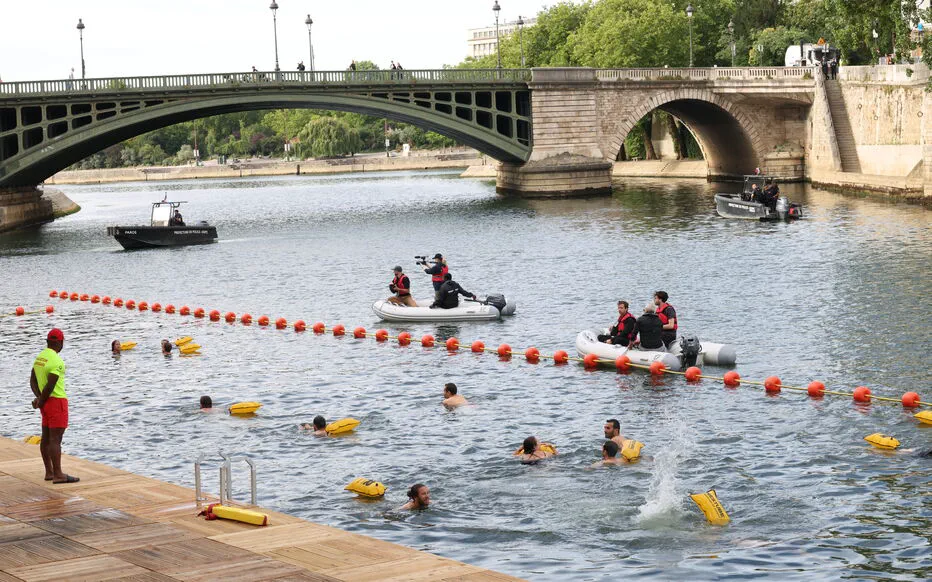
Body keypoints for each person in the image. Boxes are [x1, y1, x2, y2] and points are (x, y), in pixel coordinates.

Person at [30, 329, 78, 484]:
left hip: (45, 403)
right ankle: (58, 474)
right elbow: (50, 386)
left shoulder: (40, 358)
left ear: (47, 341)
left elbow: (33, 380)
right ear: (60, 342)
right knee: (56, 439)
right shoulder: (57, 361)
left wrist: (39, 399)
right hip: (56, 401)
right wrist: (42, 400)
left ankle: (49, 472)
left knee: (46, 437)